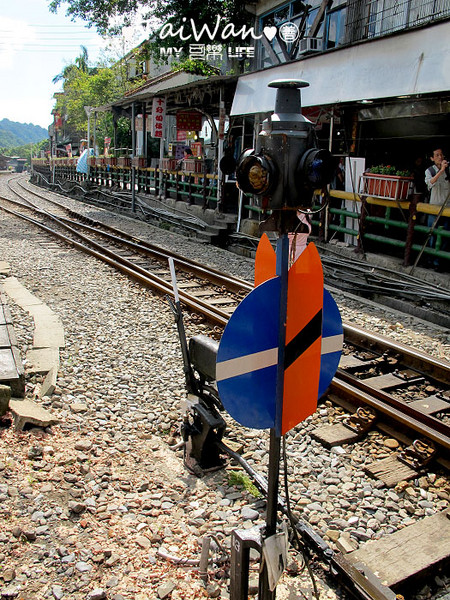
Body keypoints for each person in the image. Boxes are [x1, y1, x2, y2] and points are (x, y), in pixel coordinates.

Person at [424, 148, 450, 269]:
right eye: (437, 155)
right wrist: (441, 170)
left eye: (441, 154)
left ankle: (439, 262)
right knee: (432, 235)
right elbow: (430, 183)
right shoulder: (429, 171)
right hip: (434, 208)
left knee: (445, 235)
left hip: (447, 208)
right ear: (432, 158)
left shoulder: (449, 169)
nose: (440, 157)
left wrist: (446, 169)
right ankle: (430, 259)